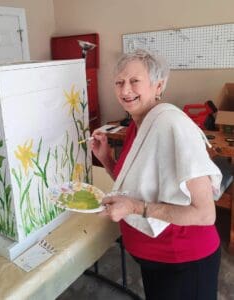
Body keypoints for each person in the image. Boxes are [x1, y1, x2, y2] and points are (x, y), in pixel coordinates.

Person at [91, 48, 222, 300]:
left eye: (134, 81)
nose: (125, 90)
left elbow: (205, 214)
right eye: (119, 82)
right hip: (155, 259)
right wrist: (106, 158)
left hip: (184, 261)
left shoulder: (173, 124)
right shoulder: (136, 125)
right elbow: (132, 187)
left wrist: (134, 208)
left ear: (158, 85)